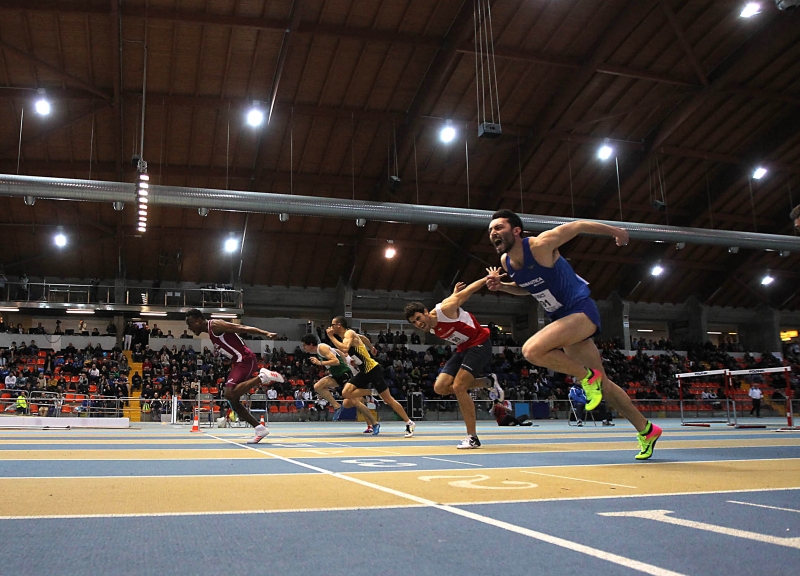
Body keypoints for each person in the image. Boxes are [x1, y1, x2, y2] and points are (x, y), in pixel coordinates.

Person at [485, 209, 662, 460]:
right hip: (562, 320)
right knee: (606, 386)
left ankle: (586, 378)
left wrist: (616, 232)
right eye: (491, 229)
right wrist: (502, 286)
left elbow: (578, 225)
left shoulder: (540, 245)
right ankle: (647, 429)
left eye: (499, 227)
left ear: (516, 231)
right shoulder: (507, 263)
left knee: (531, 350)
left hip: (580, 311)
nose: (493, 232)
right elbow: (528, 288)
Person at [404, 277, 504, 449]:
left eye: (419, 318)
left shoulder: (446, 308)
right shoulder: (432, 325)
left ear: (426, 311)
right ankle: (488, 382)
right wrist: (453, 294)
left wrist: (488, 278)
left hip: (480, 343)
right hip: (463, 348)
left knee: (459, 387)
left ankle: (472, 437)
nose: (419, 324)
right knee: (440, 388)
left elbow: (469, 291)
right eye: (414, 323)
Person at [185, 309, 282, 443]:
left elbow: (240, 327)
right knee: (233, 401)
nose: (189, 328)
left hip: (245, 359)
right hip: (238, 362)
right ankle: (260, 429)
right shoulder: (211, 332)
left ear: (198, 320)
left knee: (229, 394)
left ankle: (263, 377)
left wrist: (265, 333)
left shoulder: (215, 325)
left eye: (190, 324)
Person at [326, 316, 416, 437]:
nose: (330, 327)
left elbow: (345, 349)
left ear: (339, 325)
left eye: (332, 325)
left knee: (388, 400)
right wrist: (371, 347)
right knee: (346, 393)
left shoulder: (349, 333)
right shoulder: (349, 335)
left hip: (373, 370)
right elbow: (362, 338)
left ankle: (409, 423)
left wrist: (331, 337)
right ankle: (372, 392)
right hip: (363, 371)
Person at [302, 333, 373, 423]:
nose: (303, 347)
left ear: (311, 344)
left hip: (344, 375)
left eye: (304, 345)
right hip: (336, 376)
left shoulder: (322, 348)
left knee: (355, 402)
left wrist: (320, 363)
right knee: (318, 386)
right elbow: (338, 352)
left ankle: (373, 423)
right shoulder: (319, 351)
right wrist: (344, 362)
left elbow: (336, 361)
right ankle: (337, 406)